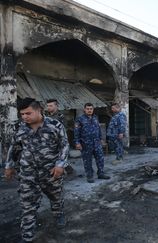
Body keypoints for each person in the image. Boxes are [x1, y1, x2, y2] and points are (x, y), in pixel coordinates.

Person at [4, 97, 69, 242]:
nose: (25, 117)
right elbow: (13, 147)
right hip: (28, 174)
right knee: (27, 205)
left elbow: (64, 145)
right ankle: (27, 236)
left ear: (39, 110)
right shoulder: (19, 128)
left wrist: (60, 164)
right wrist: (9, 166)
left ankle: (58, 214)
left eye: (28, 113)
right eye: (22, 114)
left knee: (56, 197)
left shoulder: (55, 125)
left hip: (51, 172)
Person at [74, 103, 110, 183]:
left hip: (97, 143)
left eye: (91, 109)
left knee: (100, 159)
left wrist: (101, 139)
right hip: (86, 144)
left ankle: (101, 173)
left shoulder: (95, 118)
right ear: (84, 109)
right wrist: (77, 143)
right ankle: (89, 176)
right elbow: (76, 132)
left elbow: (98, 129)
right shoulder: (80, 119)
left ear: (93, 109)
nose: (89, 110)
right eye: (88, 109)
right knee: (87, 160)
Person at [45, 98, 74, 175]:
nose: (48, 107)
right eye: (47, 106)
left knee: (60, 159)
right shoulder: (46, 117)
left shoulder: (61, 117)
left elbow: (63, 130)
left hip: (58, 142)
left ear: (56, 106)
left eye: (51, 106)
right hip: (49, 142)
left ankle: (65, 171)